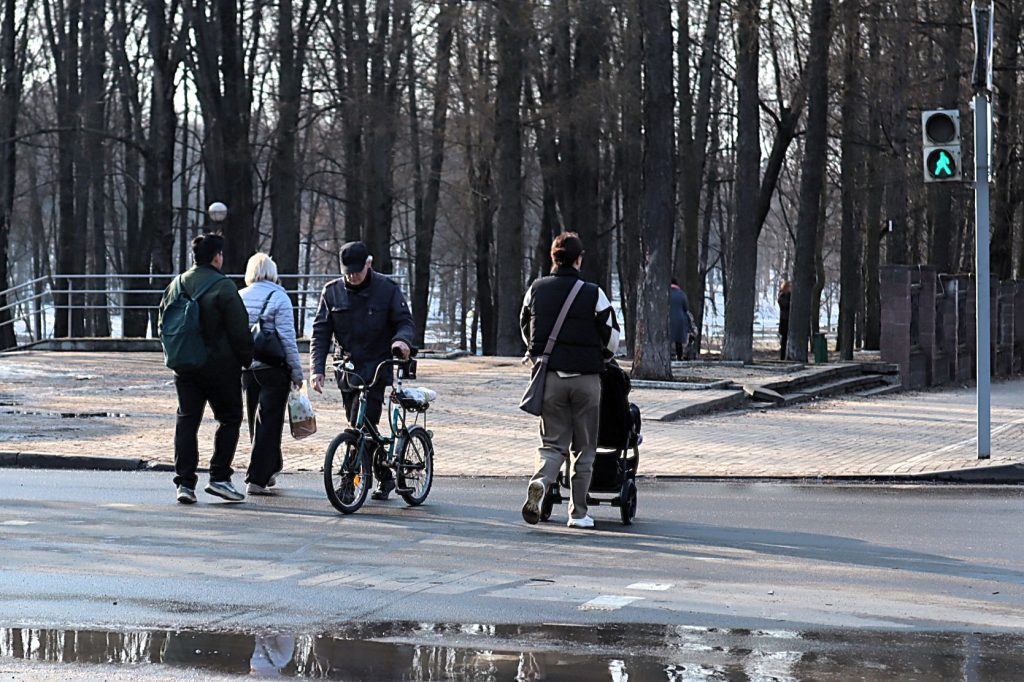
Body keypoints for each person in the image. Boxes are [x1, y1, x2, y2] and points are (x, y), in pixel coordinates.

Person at [519, 232, 620, 529]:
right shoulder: (593, 293)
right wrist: (603, 358)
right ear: (578, 259)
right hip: (586, 380)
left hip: (551, 378)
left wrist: (539, 355)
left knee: (552, 444)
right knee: (584, 448)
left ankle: (541, 483)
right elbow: (612, 336)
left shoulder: (536, 289)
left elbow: (525, 326)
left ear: (553, 258)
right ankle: (578, 514)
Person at [309, 240, 416, 500]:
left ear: (369, 264)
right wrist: (316, 369)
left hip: (377, 366)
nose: (352, 277)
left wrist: (401, 341)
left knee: (361, 426)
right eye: (347, 272)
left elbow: (405, 322)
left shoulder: (387, 289)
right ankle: (384, 475)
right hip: (347, 369)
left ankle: (349, 484)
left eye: (357, 271)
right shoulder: (332, 292)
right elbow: (320, 332)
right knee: (360, 427)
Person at [158, 233, 254, 504]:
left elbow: (162, 322)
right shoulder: (223, 287)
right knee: (229, 418)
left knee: (187, 421)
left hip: (184, 367)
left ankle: (185, 483)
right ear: (216, 257)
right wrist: (247, 358)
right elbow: (239, 329)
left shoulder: (176, 284)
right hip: (220, 368)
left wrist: (175, 353)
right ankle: (219, 477)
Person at [238, 253, 304, 495]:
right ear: (273, 272)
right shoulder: (280, 297)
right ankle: (257, 479)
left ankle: (271, 468)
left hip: (247, 368)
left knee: (255, 421)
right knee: (269, 422)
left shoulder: (239, 296)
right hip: (273, 368)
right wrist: (297, 372)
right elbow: (287, 339)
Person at [670, 278, 696, 361]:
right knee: (678, 340)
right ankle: (679, 356)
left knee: (668, 338)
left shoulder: (666, 293)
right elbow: (686, 308)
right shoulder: (682, 294)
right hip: (680, 319)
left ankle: (669, 356)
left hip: (668, 318)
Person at [778, 280, 792, 360]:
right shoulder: (782, 296)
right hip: (784, 320)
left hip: (788, 320)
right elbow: (785, 305)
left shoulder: (790, 296)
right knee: (784, 340)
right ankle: (782, 357)